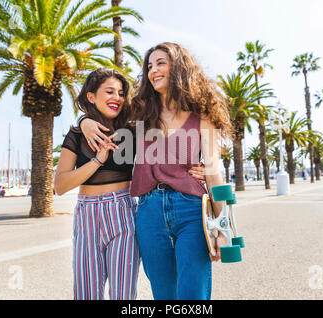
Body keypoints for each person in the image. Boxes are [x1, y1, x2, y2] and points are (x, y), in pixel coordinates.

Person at [80, 42, 233, 300]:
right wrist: (84, 121)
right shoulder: (140, 110)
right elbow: (104, 109)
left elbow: (214, 171)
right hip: (149, 212)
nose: (153, 71)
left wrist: (223, 227)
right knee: (164, 294)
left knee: (192, 292)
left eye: (161, 63)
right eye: (150, 66)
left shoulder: (202, 114)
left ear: (179, 66)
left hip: (191, 210)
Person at [55, 68, 204, 300]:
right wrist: (96, 157)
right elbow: (60, 185)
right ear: (91, 96)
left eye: (121, 93)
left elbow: (170, 130)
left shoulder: (134, 130)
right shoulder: (76, 134)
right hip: (87, 214)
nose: (117, 97)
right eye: (110, 91)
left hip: (122, 211)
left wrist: (198, 165)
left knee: (124, 296)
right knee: (86, 294)